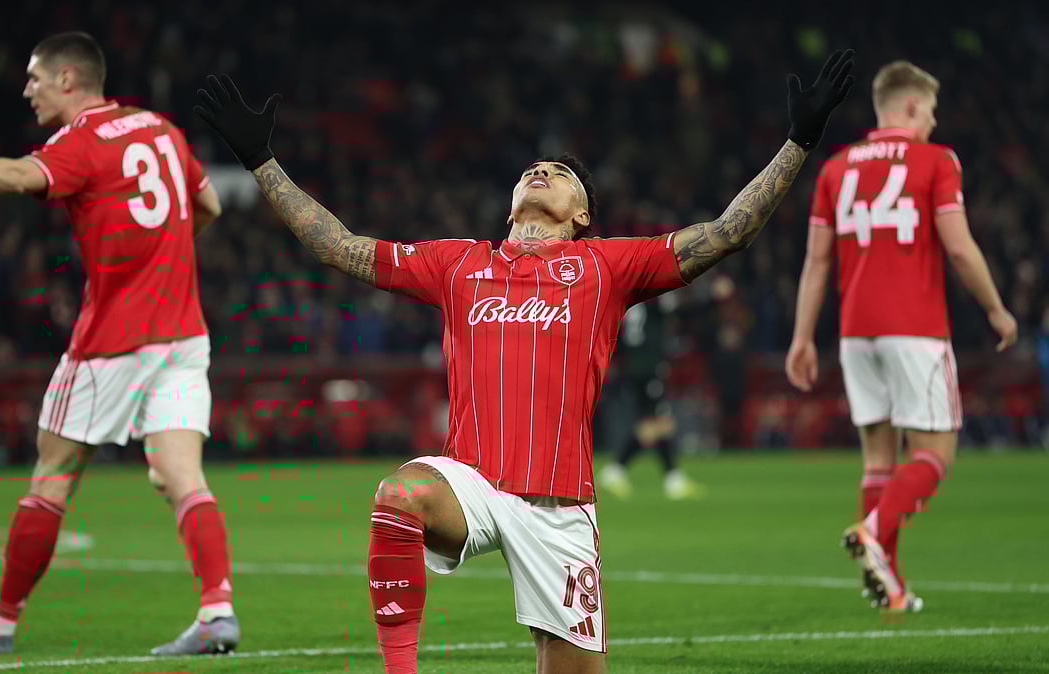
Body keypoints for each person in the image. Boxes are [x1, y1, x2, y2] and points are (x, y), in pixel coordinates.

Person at [194, 48, 854, 673]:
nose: (543, 172)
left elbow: (727, 233)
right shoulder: (458, 263)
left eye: (561, 174)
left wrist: (798, 143)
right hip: (472, 486)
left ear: (583, 213)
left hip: (561, 509)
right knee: (398, 496)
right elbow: (339, 246)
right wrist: (260, 160)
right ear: (511, 198)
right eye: (533, 169)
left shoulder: (608, 265)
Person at [0, 31, 239, 655]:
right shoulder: (160, 128)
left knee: (52, 476)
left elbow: (24, 175)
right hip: (184, 333)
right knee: (182, 475)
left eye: (35, 78)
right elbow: (205, 203)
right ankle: (217, 610)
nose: (27, 90)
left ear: (69, 80)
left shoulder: (79, 144)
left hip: (113, 342)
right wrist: (165, 254)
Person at [785, 60, 1017, 613]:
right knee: (935, 452)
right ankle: (871, 532)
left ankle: (890, 587)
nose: (934, 122)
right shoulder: (937, 161)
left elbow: (817, 262)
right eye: (931, 111)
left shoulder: (835, 169)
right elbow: (959, 247)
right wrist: (996, 308)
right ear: (911, 106)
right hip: (915, 329)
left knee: (878, 459)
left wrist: (801, 337)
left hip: (855, 334)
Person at [597, 300, 705, 500]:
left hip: (633, 366)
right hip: (648, 368)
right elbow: (683, 310)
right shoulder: (655, 300)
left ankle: (668, 477)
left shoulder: (633, 301)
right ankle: (620, 470)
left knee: (655, 423)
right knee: (658, 423)